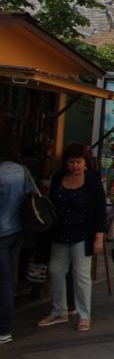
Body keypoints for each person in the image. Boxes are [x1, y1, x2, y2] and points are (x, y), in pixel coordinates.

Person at [37, 143, 106, 332]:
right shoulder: (59, 177)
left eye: (78, 162)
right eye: (71, 162)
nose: (75, 166)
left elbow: (100, 209)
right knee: (55, 271)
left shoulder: (92, 180)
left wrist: (99, 237)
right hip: (60, 232)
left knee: (82, 275)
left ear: (85, 163)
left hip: (83, 233)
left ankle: (84, 315)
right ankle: (59, 310)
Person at [0, 139, 35, 344]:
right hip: (17, 230)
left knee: (4, 281)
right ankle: (6, 326)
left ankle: (4, 328)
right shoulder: (22, 171)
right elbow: (31, 196)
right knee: (8, 279)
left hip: (2, 232)